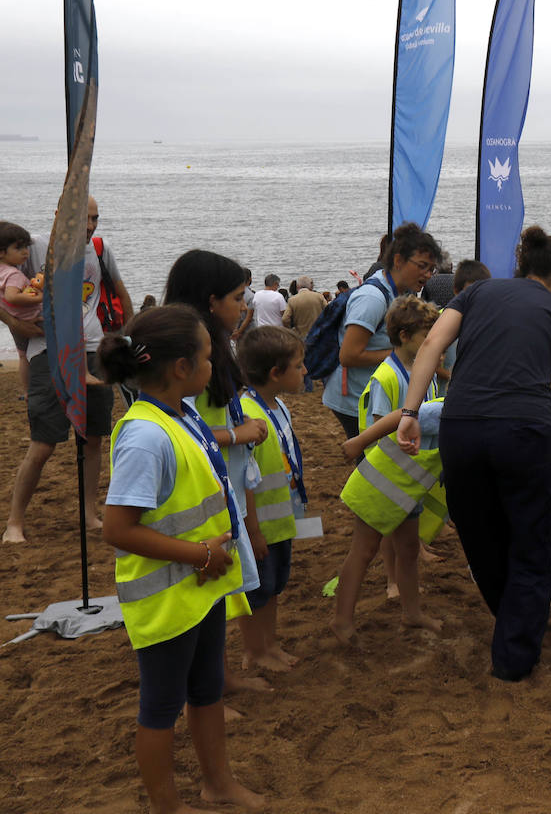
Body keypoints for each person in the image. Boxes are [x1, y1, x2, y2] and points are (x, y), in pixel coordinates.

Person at [400, 225, 551, 682]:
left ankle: (511, 623)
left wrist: (409, 410)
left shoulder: (476, 293)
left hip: (460, 429)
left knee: (481, 535)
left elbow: (431, 345)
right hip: (525, 431)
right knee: (532, 538)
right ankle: (514, 657)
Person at [97, 304, 265, 813]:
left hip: (201, 587)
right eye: (209, 357)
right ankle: (166, 805)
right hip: (168, 597)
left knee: (207, 690)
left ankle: (219, 783)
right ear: (180, 368)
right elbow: (117, 528)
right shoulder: (146, 436)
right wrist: (197, 554)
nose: (215, 366)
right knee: (161, 708)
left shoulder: (182, 413)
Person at [163, 249, 271, 692]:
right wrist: (240, 434)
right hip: (201, 488)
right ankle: (207, 688)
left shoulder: (213, 349)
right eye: (237, 297)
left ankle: (219, 678)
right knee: (205, 593)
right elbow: (184, 426)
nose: (243, 306)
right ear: (210, 301)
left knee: (223, 588)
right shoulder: (190, 359)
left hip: (221, 482)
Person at [332, 297, 446, 644]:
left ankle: (412, 614)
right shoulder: (387, 375)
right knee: (363, 551)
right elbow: (382, 424)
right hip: (383, 479)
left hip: (410, 480)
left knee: (408, 549)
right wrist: (369, 442)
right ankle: (342, 621)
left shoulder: (423, 374)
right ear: (405, 334)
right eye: (429, 334)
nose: (436, 343)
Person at [6, 197, 119, 544]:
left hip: (93, 348)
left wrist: (124, 337)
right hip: (49, 353)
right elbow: (4, 288)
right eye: (82, 218)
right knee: (43, 443)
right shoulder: (35, 248)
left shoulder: (98, 250)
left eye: (95, 218)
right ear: (59, 215)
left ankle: (89, 515)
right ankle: (14, 523)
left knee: (94, 438)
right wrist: (14, 324)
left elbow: (117, 292)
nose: (90, 225)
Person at [322, 223, 437, 439]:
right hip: (355, 398)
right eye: (422, 266)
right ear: (398, 261)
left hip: (374, 392)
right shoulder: (372, 298)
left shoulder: (402, 292)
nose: (428, 274)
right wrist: (405, 353)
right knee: (373, 460)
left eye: (432, 268)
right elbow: (348, 356)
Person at [236, 326, 308, 672]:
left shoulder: (278, 405)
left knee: (275, 585)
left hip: (281, 519)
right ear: (275, 373)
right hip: (260, 524)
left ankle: (270, 644)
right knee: (257, 591)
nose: (305, 372)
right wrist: (253, 530)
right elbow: (243, 477)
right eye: (299, 365)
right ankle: (255, 651)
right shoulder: (247, 413)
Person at [0, 221, 41, 394]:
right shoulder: (14, 274)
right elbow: (12, 296)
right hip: (31, 319)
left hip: (15, 322)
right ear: (2, 252)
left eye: (26, 247)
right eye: (19, 248)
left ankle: (27, 392)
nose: (26, 252)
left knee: (23, 356)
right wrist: (39, 297)